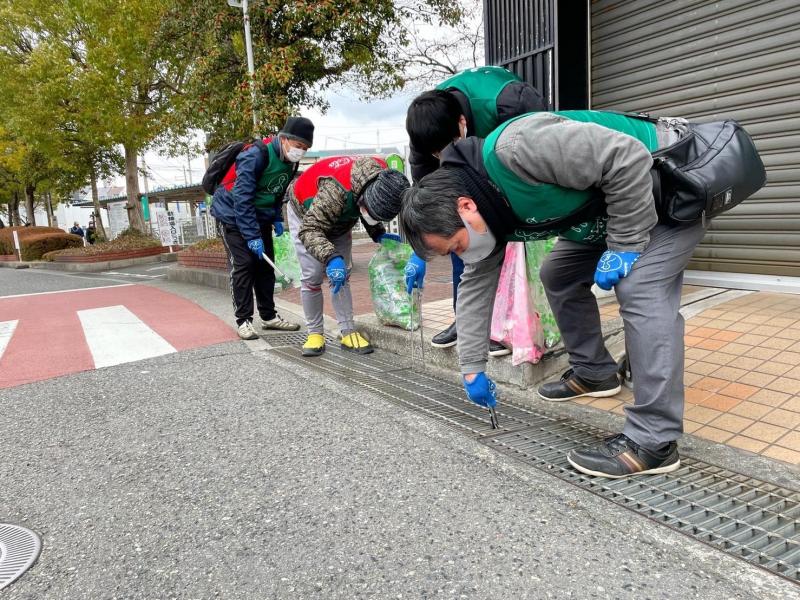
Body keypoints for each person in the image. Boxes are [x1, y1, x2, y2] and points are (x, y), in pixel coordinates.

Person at [399, 109, 703, 478]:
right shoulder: (481, 213)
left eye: (455, 247)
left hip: (663, 185)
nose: (462, 256)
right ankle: (595, 372)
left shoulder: (519, 148)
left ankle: (655, 441)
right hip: (607, 210)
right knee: (557, 273)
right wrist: (472, 369)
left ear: (466, 208)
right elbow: (476, 289)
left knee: (640, 289)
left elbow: (627, 158)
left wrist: (625, 244)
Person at [404, 66, 545, 355]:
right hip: (467, 189)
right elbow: (428, 206)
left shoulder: (510, 102)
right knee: (460, 241)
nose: (444, 158)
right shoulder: (423, 137)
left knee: (514, 251)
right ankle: (467, 322)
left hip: (512, 179)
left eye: (449, 147)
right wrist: (419, 253)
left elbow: (541, 148)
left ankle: (513, 323)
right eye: (436, 155)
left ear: (462, 122)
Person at [287, 155, 409, 357]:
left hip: (341, 219)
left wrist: (377, 232)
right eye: (369, 211)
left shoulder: (382, 178)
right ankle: (315, 333)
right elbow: (310, 230)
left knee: (342, 275)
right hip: (306, 215)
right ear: (362, 198)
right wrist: (331, 257)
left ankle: (347, 331)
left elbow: (371, 208)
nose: (369, 214)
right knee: (313, 275)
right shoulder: (335, 191)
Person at [210, 116, 314, 340]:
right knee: (245, 264)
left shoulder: (290, 161)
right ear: (284, 139)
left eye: (305, 148)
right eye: (298, 146)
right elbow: (242, 197)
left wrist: (276, 217)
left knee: (266, 267)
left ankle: (268, 317)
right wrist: (251, 236)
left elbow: (277, 192)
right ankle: (244, 320)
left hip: (260, 217)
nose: (301, 152)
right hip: (232, 214)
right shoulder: (256, 154)